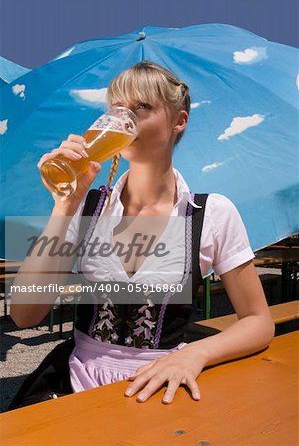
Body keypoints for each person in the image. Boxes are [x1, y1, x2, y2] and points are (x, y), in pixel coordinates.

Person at [10, 61, 274, 407]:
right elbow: (24, 314)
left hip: (162, 383)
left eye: (142, 107)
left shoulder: (211, 213)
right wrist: (64, 205)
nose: (124, 119)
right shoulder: (88, 206)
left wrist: (195, 354)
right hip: (75, 379)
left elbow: (258, 321)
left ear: (179, 121)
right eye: (116, 109)